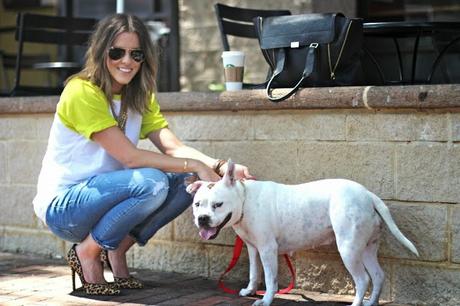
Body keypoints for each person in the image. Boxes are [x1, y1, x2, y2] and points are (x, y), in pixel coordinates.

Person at [32, 13, 254, 296]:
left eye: (136, 54)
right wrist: (198, 164)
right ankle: (87, 253)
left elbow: (172, 147)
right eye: (117, 52)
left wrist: (219, 166)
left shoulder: (139, 95)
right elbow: (130, 158)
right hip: (65, 207)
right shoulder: (81, 92)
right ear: (101, 52)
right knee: (151, 182)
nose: (127, 61)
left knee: (186, 181)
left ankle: (116, 253)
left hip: (107, 202)